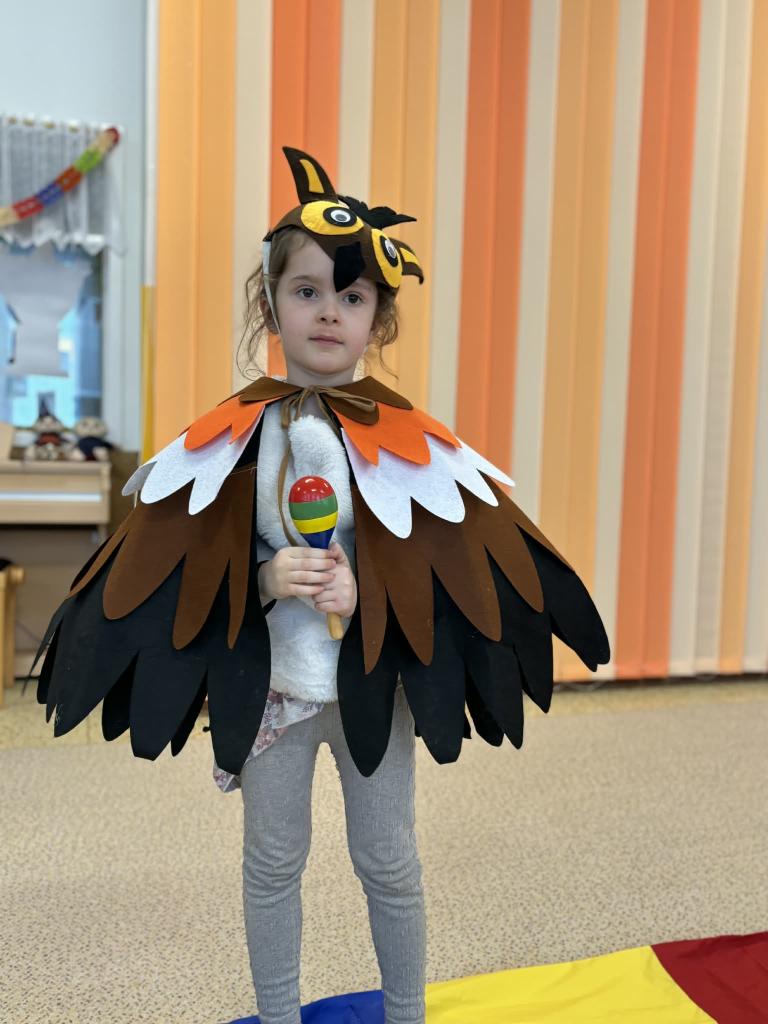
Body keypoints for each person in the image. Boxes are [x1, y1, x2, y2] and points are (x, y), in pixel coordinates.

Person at [35, 147, 610, 1024]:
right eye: (307, 291)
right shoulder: (232, 436)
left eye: (353, 296)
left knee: (389, 859)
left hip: (374, 683)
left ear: (379, 318)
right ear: (270, 304)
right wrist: (266, 577)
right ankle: (278, 1015)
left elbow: (452, 569)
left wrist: (369, 597)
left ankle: (407, 1012)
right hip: (272, 691)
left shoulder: (415, 443)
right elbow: (186, 559)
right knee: (272, 862)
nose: (330, 312)